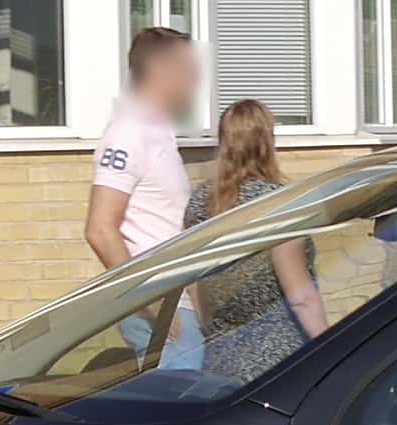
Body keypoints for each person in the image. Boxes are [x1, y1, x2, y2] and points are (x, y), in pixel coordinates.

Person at [180, 101, 329, 380]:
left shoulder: (200, 202)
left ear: (223, 143)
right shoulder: (278, 204)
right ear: (267, 143)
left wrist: (212, 328)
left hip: (220, 357)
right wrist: (332, 348)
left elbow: (191, 279)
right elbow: (301, 298)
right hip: (278, 359)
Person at [89, 27, 200, 362]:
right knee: (179, 409)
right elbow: (99, 229)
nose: (194, 79)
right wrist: (151, 305)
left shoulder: (158, 131)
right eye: (186, 68)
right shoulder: (128, 132)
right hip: (163, 309)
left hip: (177, 304)